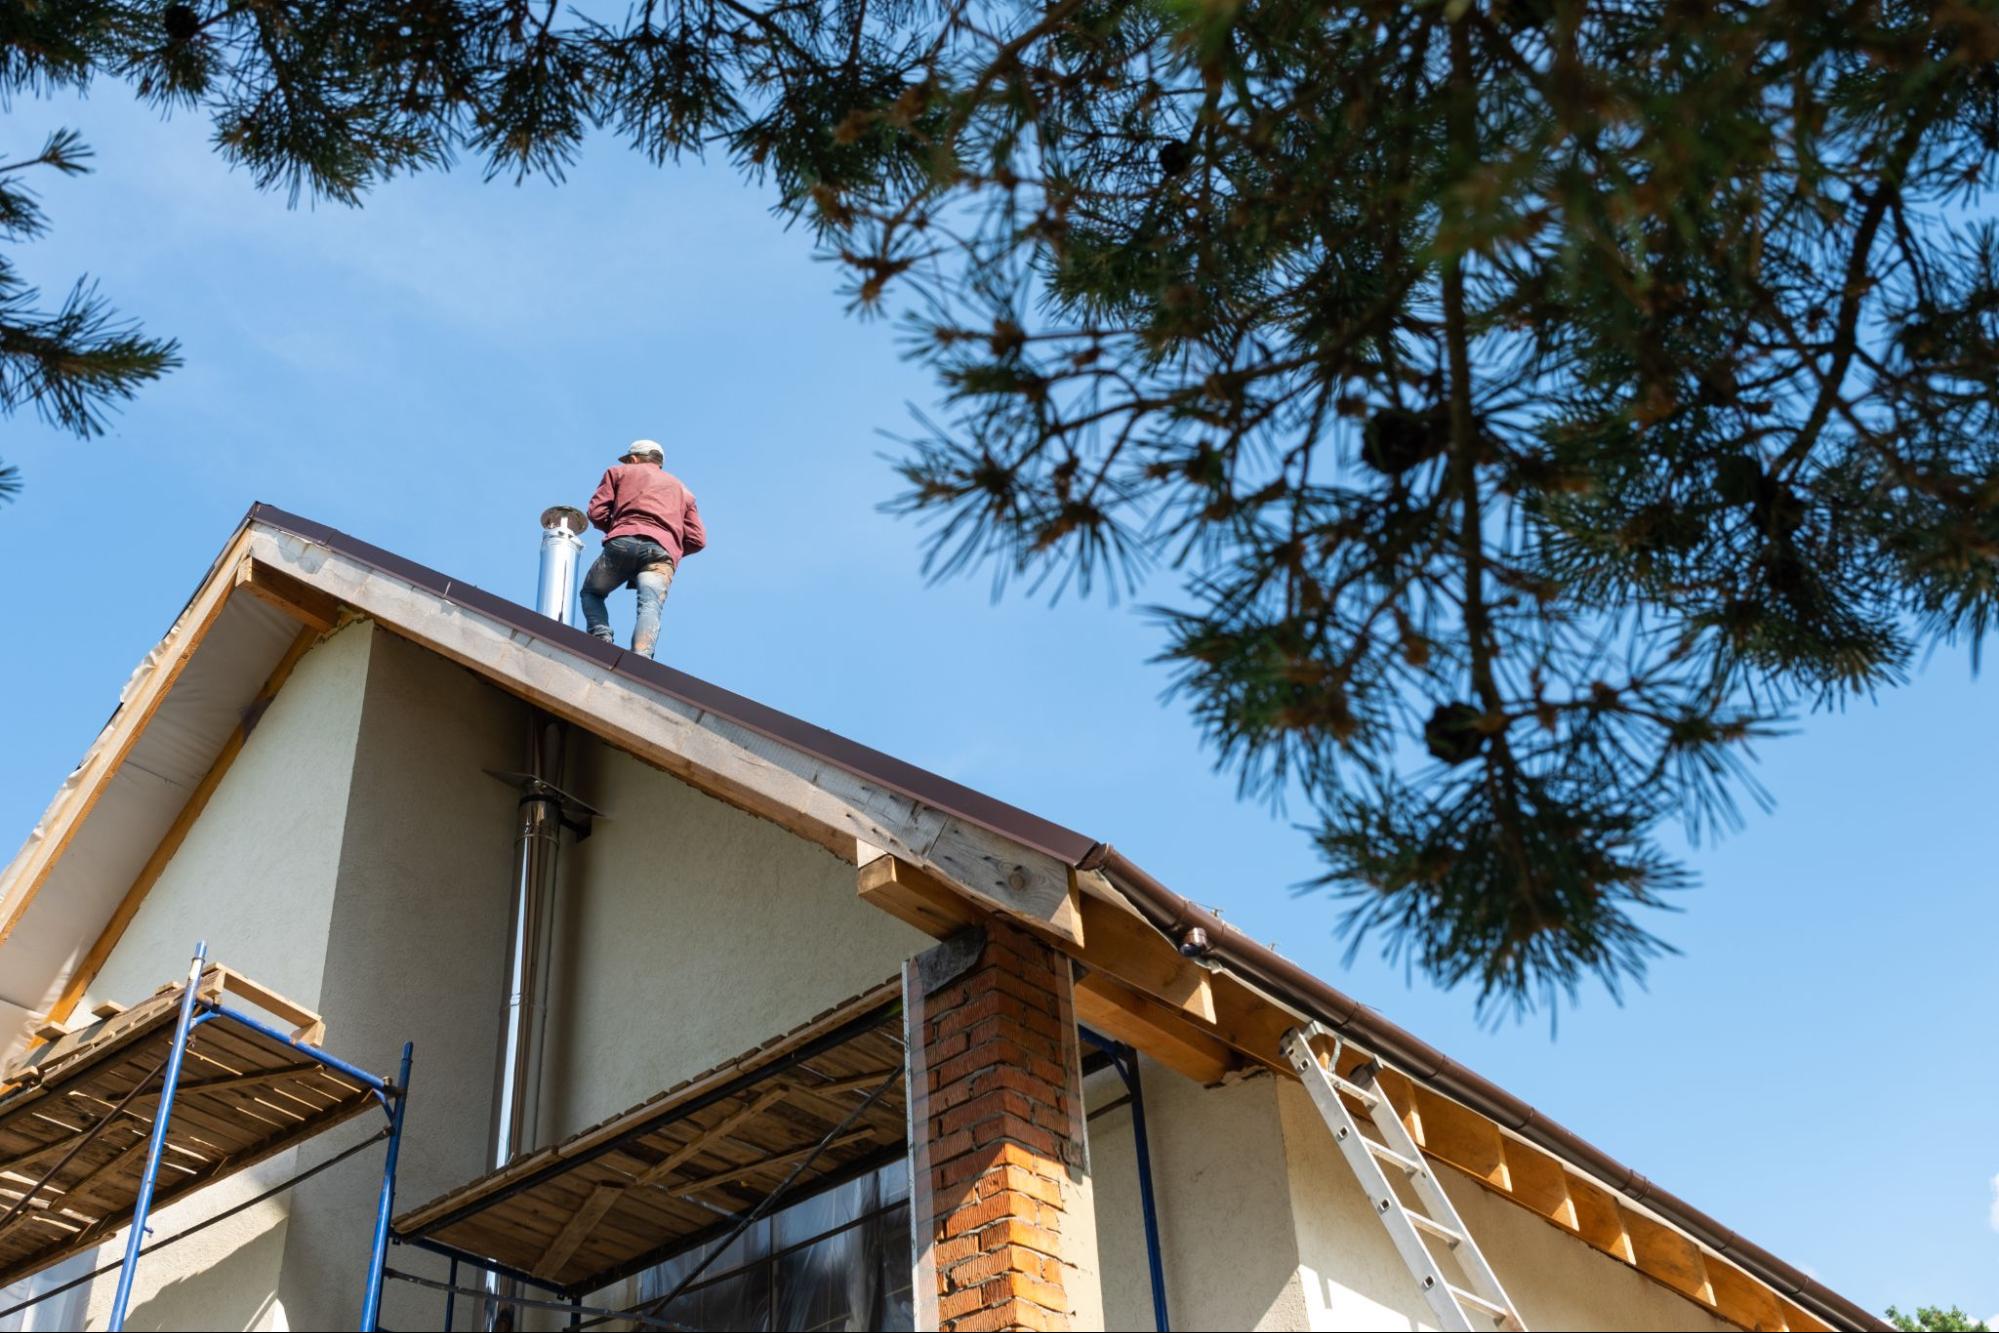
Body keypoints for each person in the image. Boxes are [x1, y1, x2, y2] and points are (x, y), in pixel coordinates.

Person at [581, 439, 706, 659]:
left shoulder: (618, 472)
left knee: (591, 592)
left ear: (635, 459)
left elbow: (596, 512)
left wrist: (621, 528)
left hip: (623, 542)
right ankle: (641, 658)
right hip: (661, 554)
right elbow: (698, 539)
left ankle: (601, 638)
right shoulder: (683, 491)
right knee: (650, 606)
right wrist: (669, 544)